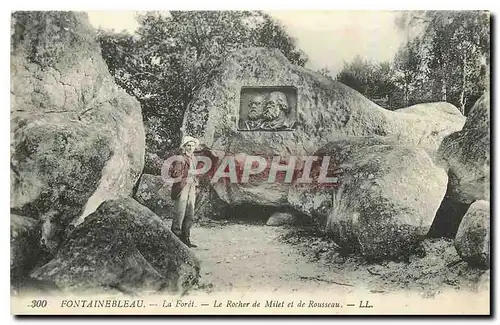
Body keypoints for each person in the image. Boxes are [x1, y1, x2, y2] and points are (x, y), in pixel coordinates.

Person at [169, 136, 200, 248]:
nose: (191, 148)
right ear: (184, 147)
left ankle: (185, 239)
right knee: (180, 213)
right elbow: (174, 173)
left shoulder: (194, 159)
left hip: (192, 186)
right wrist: (186, 174)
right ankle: (175, 241)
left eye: (192, 146)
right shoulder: (180, 158)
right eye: (188, 145)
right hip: (182, 187)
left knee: (190, 213)